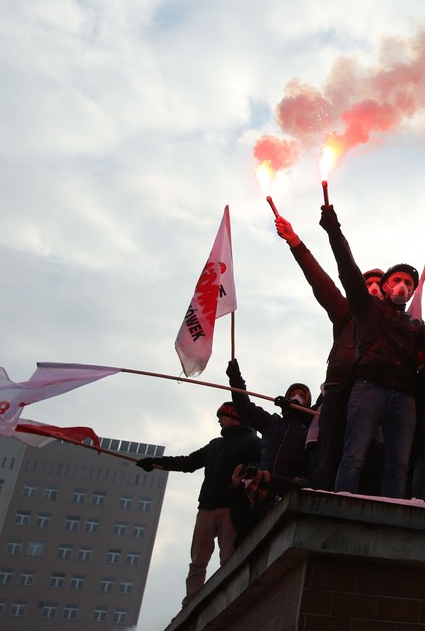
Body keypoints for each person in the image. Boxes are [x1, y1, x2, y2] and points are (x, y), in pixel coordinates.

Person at [320, 204, 425, 498]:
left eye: (409, 283)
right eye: (397, 281)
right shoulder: (366, 307)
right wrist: (335, 231)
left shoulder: (415, 326)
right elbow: (348, 268)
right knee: (354, 454)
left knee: (398, 464)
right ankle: (344, 505)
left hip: (404, 396)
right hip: (369, 385)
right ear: (384, 286)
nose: (403, 287)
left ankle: (391, 513)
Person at [273, 214, 367, 490]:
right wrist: (295, 243)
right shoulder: (346, 314)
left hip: (371, 391)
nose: (370, 289)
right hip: (340, 387)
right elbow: (321, 281)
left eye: (376, 285)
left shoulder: (393, 325)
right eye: (366, 284)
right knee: (328, 456)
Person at [137, 401, 260, 605]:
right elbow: (188, 462)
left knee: (228, 558)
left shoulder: (252, 443)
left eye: (222, 415)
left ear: (235, 416)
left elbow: (254, 471)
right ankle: (192, 600)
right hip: (207, 507)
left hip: (232, 508)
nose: (219, 420)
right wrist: (155, 462)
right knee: (198, 561)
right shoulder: (215, 445)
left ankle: (230, 597)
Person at [226, 358, 312, 483]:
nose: (296, 398)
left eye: (301, 396)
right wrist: (235, 379)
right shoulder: (271, 422)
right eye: (292, 395)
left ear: (307, 403)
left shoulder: (310, 429)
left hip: (289, 488)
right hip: (263, 486)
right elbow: (244, 407)